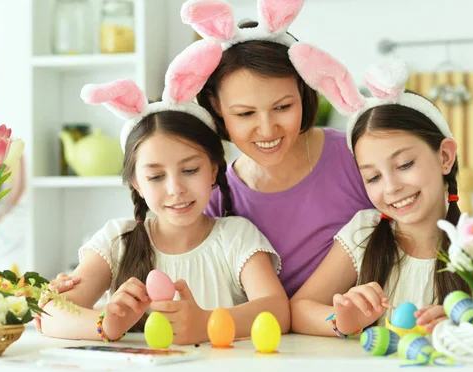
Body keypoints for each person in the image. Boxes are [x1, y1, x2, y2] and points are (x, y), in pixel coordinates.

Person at [37, 40, 289, 345]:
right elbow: (51, 313)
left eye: (190, 170)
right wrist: (107, 323)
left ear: (213, 169)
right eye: (156, 176)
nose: (175, 189)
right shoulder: (117, 240)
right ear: (137, 183)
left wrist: (206, 323)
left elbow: (277, 310)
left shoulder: (236, 237)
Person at [182, 0, 373, 298]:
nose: (268, 130)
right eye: (245, 114)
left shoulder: (355, 157)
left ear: (303, 88)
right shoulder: (213, 193)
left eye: (282, 107)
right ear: (217, 106)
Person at [287, 43, 470, 337]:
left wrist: (471, 323)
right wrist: (342, 321)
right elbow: (299, 309)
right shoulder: (364, 232)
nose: (392, 188)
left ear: (445, 157)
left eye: (405, 164)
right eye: (373, 178)